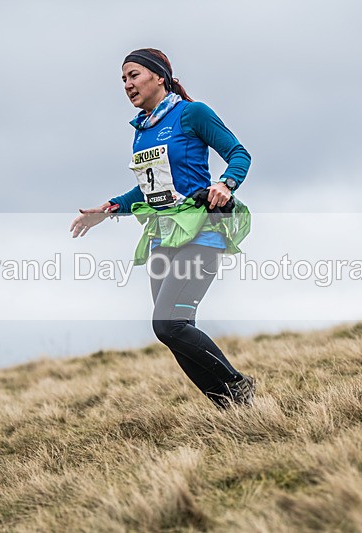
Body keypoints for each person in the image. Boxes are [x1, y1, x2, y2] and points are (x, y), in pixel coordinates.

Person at [70, 48, 255, 409]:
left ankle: (237, 384)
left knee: (167, 325)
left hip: (200, 231)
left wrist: (225, 184)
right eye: (123, 79)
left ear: (159, 77)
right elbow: (149, 188)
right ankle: (234, 409)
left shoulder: (192, 113)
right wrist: (109, 209)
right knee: (176, 330)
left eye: (134, 75)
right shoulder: (141, 131)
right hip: (161, 238)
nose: (127, 84)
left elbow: (239, 154)